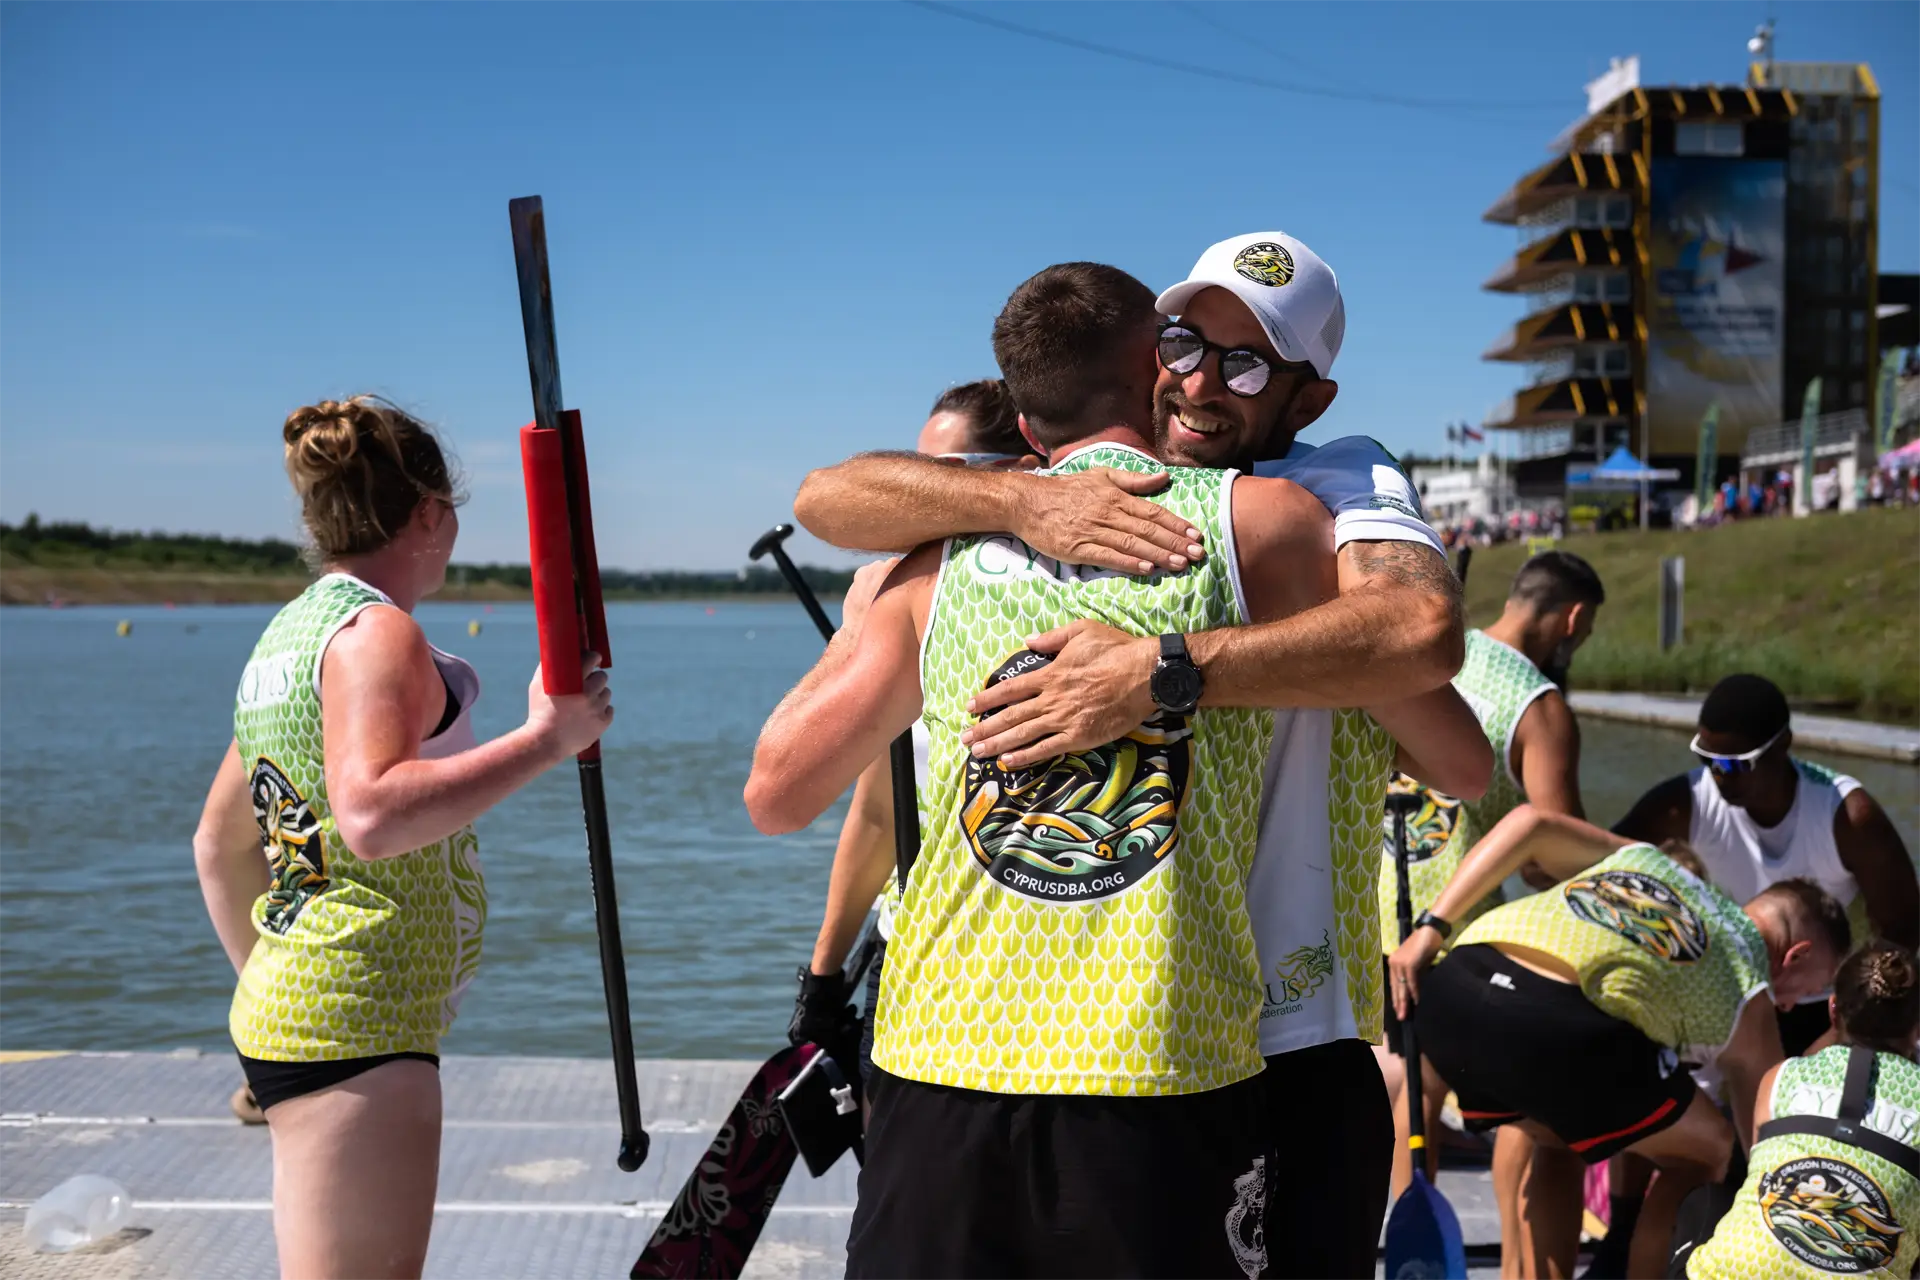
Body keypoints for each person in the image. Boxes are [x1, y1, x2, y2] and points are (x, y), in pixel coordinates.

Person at [794, 232, 1485, 1277]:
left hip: (1295, 1031)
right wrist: (1019, 497)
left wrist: (1164, 670)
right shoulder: (1079, 494)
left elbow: (1446, 698)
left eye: (1247, 363)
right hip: (1172, 1038)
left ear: (1309, 399)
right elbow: (826, 498)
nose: (1200, 381)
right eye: (1184, 343)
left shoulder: (1339, 485)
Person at [191, 397, 613, 1280]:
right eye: (454, 509)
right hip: (357, 1025)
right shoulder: (377, 635)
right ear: (428, 512)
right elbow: (372, 813)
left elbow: (217, 843)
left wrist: (275, 979)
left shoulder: (290, 636)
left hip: (317, 1012)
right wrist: (546, 739)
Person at [1389, 805, 1851, 1280]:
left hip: (1459, 984)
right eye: (1811, 990)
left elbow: (1530, 822)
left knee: (1560, 1134)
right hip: (1553, 1026)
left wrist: (1431, 927)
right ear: (1796, 955)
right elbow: (1768, 1155)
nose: (1793, 1006)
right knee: (1709, 1150)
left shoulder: (1649, 859)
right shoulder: (1750, 980)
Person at [790, 379, 1034, 1083]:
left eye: (949, 476)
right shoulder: (902, 595)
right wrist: (825, 972)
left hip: (1048, 967)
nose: (925, 498)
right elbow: (877, 809)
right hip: (916, 955)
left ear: (1024, 472)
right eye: (919, 475)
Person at [1377, 550, 1606, 1266]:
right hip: (1459, 941)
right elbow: (1553, 864)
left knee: (1403, 1100)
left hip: (1365, 907)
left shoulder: (1423, 652)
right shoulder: (1538, 708)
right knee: (1528, 1114)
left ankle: (1403, 1257)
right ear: (1572, 619)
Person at [1615, 673, 1920, 1049]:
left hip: (1829, 1007)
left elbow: (1902, 932)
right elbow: (1608, 868)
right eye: (1706, 759)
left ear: (1783, 746)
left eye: (1734, 765)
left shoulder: (1848, 817)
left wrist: (1841, 1031)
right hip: (1731, 996)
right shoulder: (1683, 804)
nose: (1717, 777)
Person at [1673, 940, 1920, 1279]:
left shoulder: (1780, 1077)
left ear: (1833, 1009)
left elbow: (1762, 1180)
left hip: (1739, 1272)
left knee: (1706, 1203)